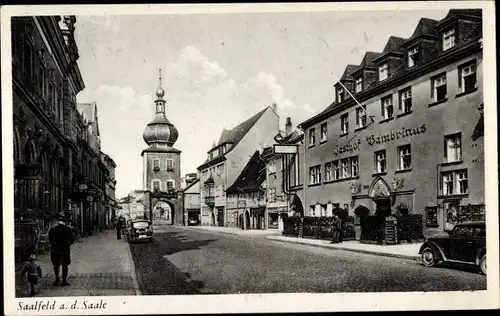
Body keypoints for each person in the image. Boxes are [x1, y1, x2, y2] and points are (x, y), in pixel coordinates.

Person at [48, 214, 75, 286]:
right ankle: (64, 281)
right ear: (64, 222)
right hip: (65, 250)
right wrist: (67, 244)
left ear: (58, 222)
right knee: (64, 265)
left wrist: (53, 245)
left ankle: (57, 279)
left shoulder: (52, 230)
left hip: (55, 250)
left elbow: (50, 240)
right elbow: (72, 239)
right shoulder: (68, 229)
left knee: (56, 265)